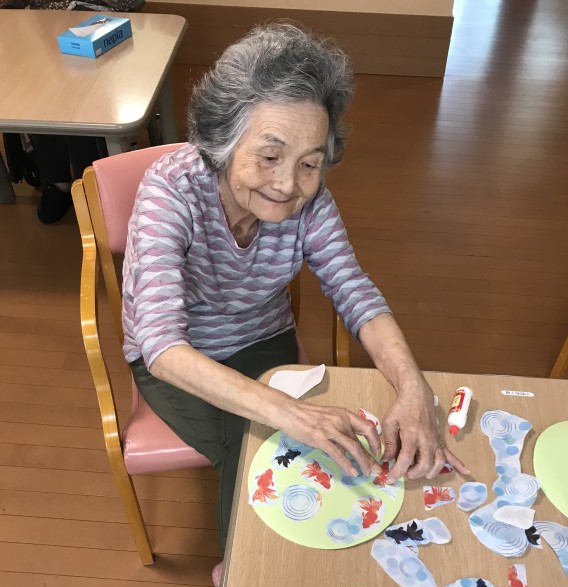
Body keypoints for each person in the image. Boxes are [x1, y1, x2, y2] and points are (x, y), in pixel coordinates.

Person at [123, 22, 469, 554]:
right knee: (255, 446)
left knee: (292, 448)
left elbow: (354, 290)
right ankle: (239, 579)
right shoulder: (171, 191)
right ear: (223, 141)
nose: (288, 185)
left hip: (263, 339)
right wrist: (292, 412)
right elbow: (163, 346)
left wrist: (414, 388)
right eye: (269, 156)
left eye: (310, 163)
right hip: (178, 357)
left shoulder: (311, 201)